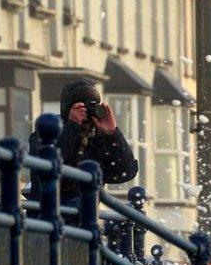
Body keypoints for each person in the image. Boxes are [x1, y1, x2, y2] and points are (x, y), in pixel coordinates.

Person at [28, 79, 138, 207]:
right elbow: (46, 169)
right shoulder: (47, 132)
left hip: (83, 221)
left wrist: (113, 133)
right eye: (82, 108)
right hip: (47, 219)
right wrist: (72, 126)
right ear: (68, 108)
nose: (88, 113)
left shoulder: (97, 139)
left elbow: (126, 172)